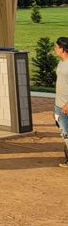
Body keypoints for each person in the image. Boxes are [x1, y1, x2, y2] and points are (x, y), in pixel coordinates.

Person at [54, 37, 68, 166]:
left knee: (67, 134)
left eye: (56, 47)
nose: (55, 49)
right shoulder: (61, 63)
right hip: (59, 105)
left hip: (65, 106)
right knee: (64, 133)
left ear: (62, 49)